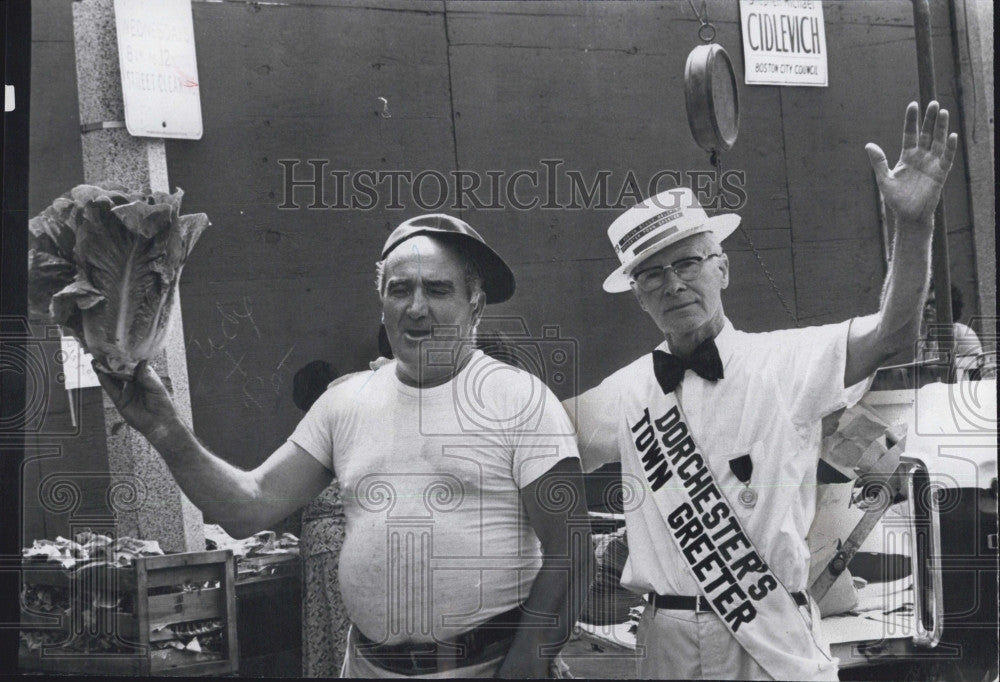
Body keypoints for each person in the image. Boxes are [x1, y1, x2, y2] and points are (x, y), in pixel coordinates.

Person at [97, 214, 592, 678]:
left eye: (438, 290)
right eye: (400, 290)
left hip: (486, 666)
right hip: (368, 666)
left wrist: (530, 659)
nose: (416, 307)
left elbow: (571, 547)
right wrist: (163, 428)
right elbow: (247, 509)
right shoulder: (345, 402)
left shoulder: (519, 398)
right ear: (382, 302)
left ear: (475, 304)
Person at [564, 101, 958, 680]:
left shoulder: (787, 361)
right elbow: (525, 433)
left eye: (688, 262)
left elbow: (893, 333)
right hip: (664, 644)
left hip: (771, 639)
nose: (673, 284)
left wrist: (913, 223)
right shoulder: (621, 393)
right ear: (638, 295)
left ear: (721, 268)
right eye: (652, 275)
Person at [292, 360, 350, 677]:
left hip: (325, 552)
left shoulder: (316, 434)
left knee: (327, 638)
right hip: (347, 545)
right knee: (344, 636)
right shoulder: (347, 426)